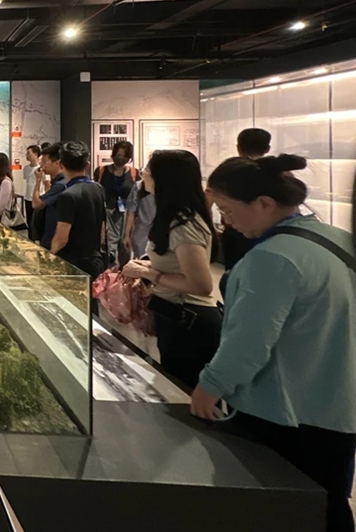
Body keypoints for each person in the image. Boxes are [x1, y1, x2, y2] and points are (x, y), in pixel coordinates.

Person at [193, 154, 356, 532]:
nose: (225, 221)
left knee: (285, 508)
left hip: (287, 412)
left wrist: (210, 386)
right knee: (329, 503)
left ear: (264, 203)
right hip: (338, 406)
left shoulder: (272, 258)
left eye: (228, 210)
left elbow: (249, 343)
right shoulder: (338, 240)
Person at [122, 150, 220, 388]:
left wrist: (148, 273)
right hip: (173, 315)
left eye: (148, 170)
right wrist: (145, 265)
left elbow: (200, 284)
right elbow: (176, 263)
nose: (144, 174)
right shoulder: (174, 217)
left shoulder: (184, 223)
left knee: (186, 393)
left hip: (188, 321)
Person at [48, 142, 107, 279]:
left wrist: (51, 255)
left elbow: (62, 237)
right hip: (95, 258)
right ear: (87, 164)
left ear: (61, 165)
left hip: (73, 262)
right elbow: (102, 228)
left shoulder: (68, 195)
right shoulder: (98, 188)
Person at [220, 128, 273, 273]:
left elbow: (211, 198)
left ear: (238, 147)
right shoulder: (276, 171)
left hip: (235, 231)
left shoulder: (228, 170)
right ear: (267, 149)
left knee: (234, 274)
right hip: (269, 231)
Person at [94, 140, 138, 266]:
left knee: (125, 246)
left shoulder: (134, 173)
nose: (120, 159)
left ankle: (124, 272)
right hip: (106, 213)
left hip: (127, 215)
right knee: (108, 247)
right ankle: (108, 272)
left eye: (124, 156)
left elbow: (136, 197)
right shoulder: (102, 171)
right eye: (118, 155)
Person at [31, 142, 66, 249]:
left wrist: (38, 180)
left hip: (53, 235)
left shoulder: (60, 185)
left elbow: (36, 204)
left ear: (57, 163)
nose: (42, 166)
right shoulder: (57, 183)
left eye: (44, 162)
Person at [122, 167, 156, 260]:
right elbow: (131, 211)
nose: (143, 173)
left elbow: (131, 211)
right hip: (142, 234)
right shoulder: (139, 186)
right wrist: (127, 235)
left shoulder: (168, 188)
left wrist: (127, 234)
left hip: (152, 233)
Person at [22, 145, 40, 238]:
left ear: (36, 154)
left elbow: (46, 183)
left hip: (38, 198)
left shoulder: (40, 168)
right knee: (29, 220)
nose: (27, 155)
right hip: (28, 197)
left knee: (37, 222)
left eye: (29, 153)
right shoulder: (26, 168)